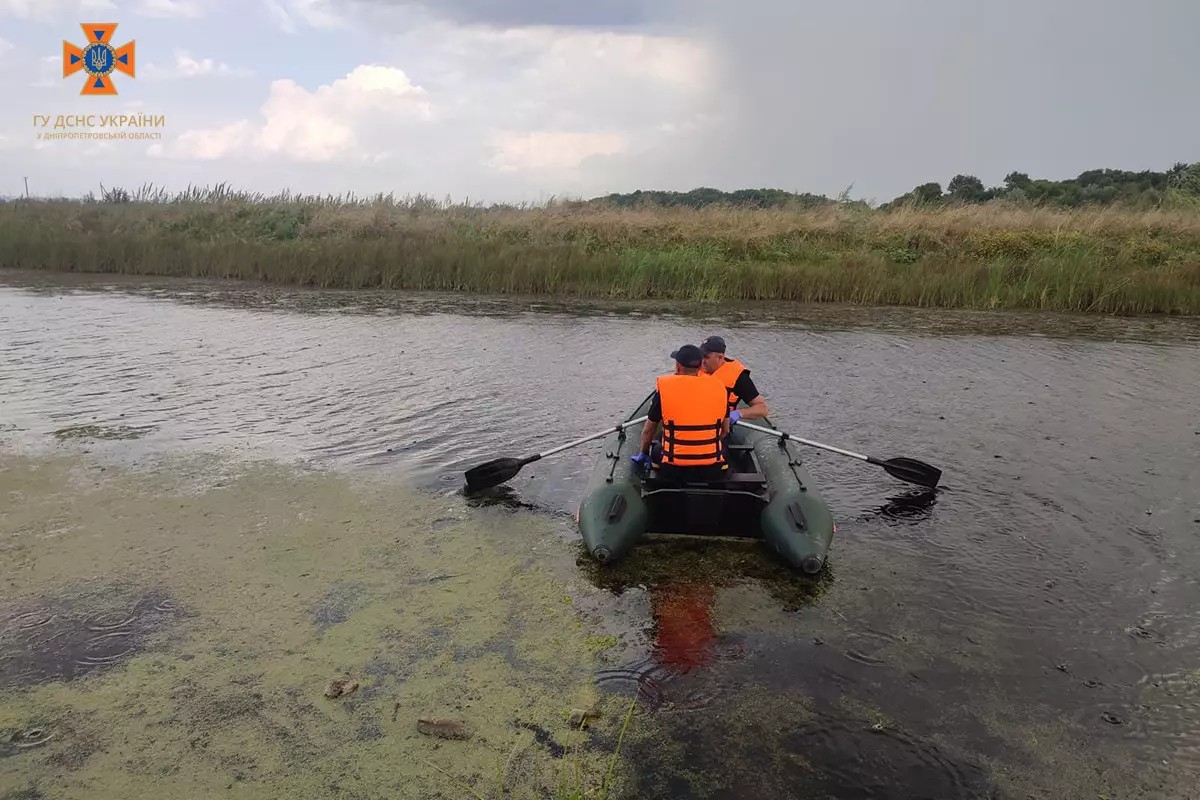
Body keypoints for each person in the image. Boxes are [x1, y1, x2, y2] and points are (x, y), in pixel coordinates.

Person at [629, 344, 731, 482]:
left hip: (673, 470)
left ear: (677, 366)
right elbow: (725, 430)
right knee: (724, 449)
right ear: (701, 366)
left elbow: (649, 430)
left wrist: (644, 452)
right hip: (712, 469)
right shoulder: (719, 389)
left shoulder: (665, 390)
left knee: (658, 449)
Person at [698, 335, 769, 421]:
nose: (702, 361)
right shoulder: (694, 368)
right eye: (701, 356)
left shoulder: (738, 376)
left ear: (720, 357)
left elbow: (762, 409)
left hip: (720, 427)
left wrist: (738, 413)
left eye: (706, 357)